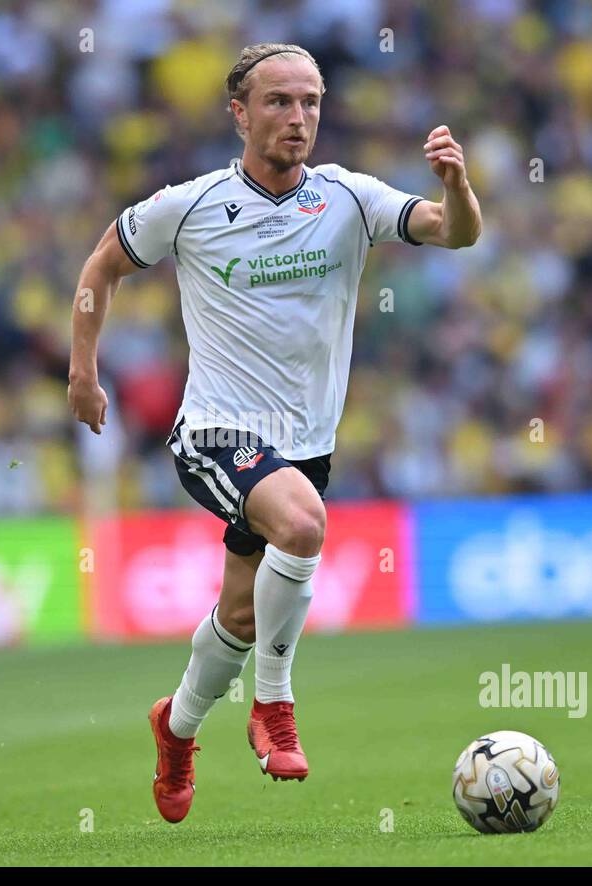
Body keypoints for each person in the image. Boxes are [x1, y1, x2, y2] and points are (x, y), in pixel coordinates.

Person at [67, 42, 482, 823]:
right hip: (215, 431)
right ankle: (275, 704)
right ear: (239, 113)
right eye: (279, 102)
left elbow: (455, 233)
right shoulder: (187, 206)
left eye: (311, 102)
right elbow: (100, 268)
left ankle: (176, 728)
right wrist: (83, 374)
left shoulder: (349, 199)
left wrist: (457, 186)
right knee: (303, 524)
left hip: (304, 446)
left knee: (242, 615)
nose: (299, 117)